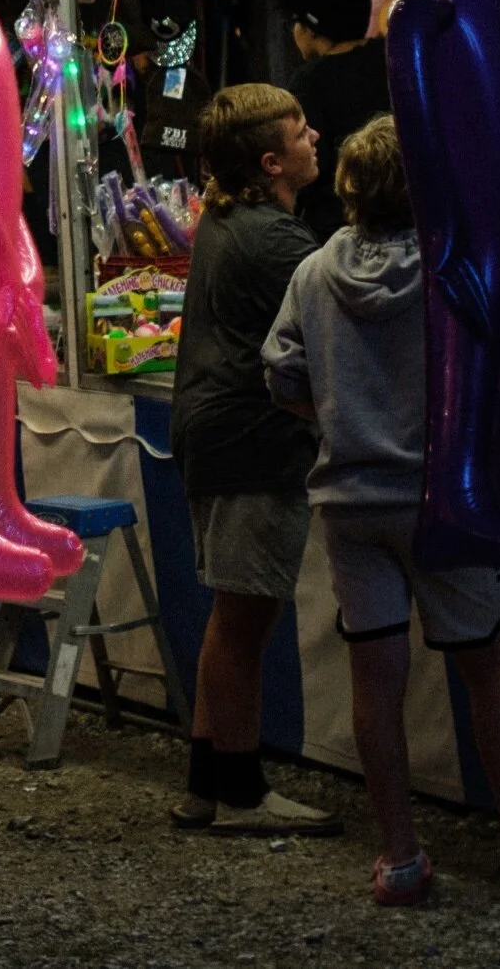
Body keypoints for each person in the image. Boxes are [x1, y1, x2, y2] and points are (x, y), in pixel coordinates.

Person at [263, 117, 500, 903]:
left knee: (376, 681)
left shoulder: (311, 273)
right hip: (447, 500)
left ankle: (401, 858)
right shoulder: (460, 273)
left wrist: (343, 420)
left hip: (350, 504)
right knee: (487, 666)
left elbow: (279, 375)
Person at [167, 84, 335, 835]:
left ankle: (209, 781)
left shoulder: (229, 219)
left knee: (232, 614)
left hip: (218, 434)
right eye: (301, 132)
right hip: (252, 442)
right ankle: (241, 791)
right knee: (245, 620)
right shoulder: (276, 242)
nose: (315, 138)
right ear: (272, 161)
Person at [273, 0, 393, 243]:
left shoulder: (311, 82)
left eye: (295, 22)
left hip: (339, 233)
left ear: (311, 27)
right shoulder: (392, 58)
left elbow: (305, 171)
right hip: (403, 222)